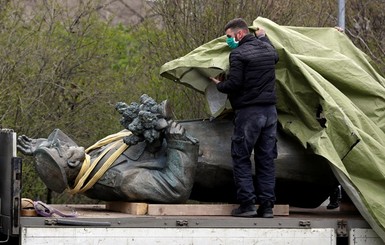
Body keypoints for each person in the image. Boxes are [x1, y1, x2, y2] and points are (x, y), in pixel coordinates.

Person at [17, 95, 199, 203]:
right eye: (60, 149)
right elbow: (175, 189)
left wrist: (42, 147)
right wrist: (179, 144)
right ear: (71, 163)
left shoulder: (92, 160)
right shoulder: (117, 180)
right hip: (210, 157)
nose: (62, 143)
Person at [210, 18, 279, 218]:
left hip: (249, 113)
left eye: (229, 36)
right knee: (266, 159)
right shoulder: (268, 50)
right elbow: (274, 55)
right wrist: (264, 37)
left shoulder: (238, 54)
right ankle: (267, 207)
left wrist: (218, 84)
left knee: (241, 157)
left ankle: (247, 205)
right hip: (270, 113)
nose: (228, 41)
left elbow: (234, 85)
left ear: (240, 34)